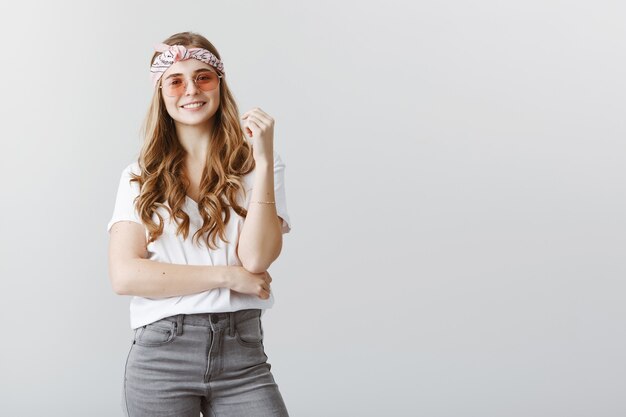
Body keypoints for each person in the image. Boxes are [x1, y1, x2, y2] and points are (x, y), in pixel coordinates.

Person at [106, 31, 291, 417]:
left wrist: (264, 157)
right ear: (161, 93)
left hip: (243, 352)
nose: (191, 89)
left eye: (203, 76)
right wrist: (227, 276)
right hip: (162, 355)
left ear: (220, 84)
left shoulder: (258, 167)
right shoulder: (138, 176)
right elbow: (125, 276)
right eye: (176, 80)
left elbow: (256, 260)